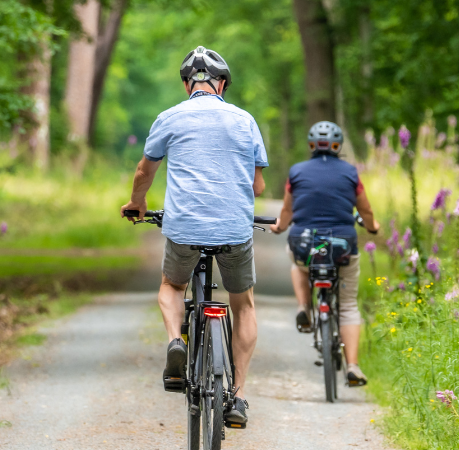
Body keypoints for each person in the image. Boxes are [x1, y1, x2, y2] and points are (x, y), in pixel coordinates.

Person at [121, 46, 268, 426]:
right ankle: (237, 398)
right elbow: (258, 184)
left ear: (188, 84)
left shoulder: (169, 117)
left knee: (172, 286)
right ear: (222, 84)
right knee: (244, 304)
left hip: (184, 227)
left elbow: (143, 171)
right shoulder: (244, 120)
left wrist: (138, 203)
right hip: (235, 229)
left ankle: (175, 342)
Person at [270, 121, 379, 386]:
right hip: (342, 245)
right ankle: (352, 366)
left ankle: (304, 306)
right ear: (337, 145)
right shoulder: (351, 172)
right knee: (349, 305)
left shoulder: (296, 172)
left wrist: (280, 227)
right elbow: (365, 210)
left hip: (305, 244)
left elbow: (287, 211)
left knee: (297, 262)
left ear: (311, 145)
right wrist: (373, 227)